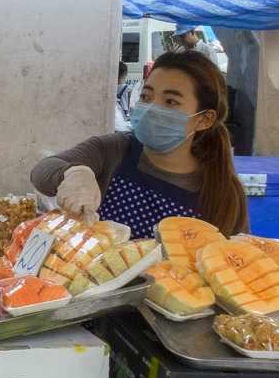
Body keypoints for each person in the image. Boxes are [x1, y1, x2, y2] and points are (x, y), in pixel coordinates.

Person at [32, 51, 248, 238]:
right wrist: (74, 172)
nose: (152, 108)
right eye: (146, 96)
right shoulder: (113, 150)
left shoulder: (222, 190)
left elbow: (236, 261)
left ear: (205, 119)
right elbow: (41, 172)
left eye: (170, 101)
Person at [115, 60, 133, 132]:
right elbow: (130, 105)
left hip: (115, 117)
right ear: (125, 73)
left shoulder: (110, 87)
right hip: (124, 117)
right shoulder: (128, 88)